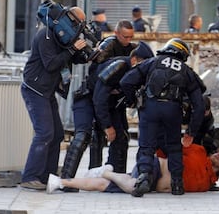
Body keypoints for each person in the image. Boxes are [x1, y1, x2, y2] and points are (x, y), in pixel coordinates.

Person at [60, 41, 154, 192]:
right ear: (135, 59)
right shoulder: (118, 66)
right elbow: (98, 97)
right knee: (82, 137)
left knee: (121, 138)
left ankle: (114, 181)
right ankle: (65, 182)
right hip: (88, 100)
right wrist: (107, 126)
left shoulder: (139, 75)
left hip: (110, 106)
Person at [120, 38, 206, 197]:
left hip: (150, 107)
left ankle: (144, 177)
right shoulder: (187, 71)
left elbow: (126, 81)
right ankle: (177, 184)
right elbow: (199, 105)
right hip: (173, 110)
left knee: (146, 146)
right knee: (174, 146)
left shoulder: (152, 62)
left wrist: (133, 101)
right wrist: (191, 131)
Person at [20, 6, 89, 190]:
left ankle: (46, 177)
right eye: (76, 23)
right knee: (44, 133)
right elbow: (51, 64)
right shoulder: (46, 36)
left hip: (47, 91)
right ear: (67, 18)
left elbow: (69, 58)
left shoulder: (62, 37)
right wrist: (72, 49)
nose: (77, 27)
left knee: (57, 134)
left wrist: (86, 54)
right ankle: (30, 177)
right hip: (34, 89)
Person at [47, 144, 219, 194]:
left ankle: (59, 182)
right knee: (134, 187)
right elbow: (170, 148)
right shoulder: (199, 151)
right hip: (153, 168)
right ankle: (107, 171)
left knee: (103, 186)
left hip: (152, 187)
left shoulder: (208, 185)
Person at [86, 19, 137, 171]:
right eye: (125, 37)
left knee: (121, 135)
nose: (128, 40)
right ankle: (94, 172)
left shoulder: (132, 49)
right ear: (116, 33)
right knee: (98, 136)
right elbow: (95, 70)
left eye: (130, 37)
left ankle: (116, 170)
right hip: (100, 92)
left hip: (116, 97)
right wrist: (107, 86)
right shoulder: (108, 45)